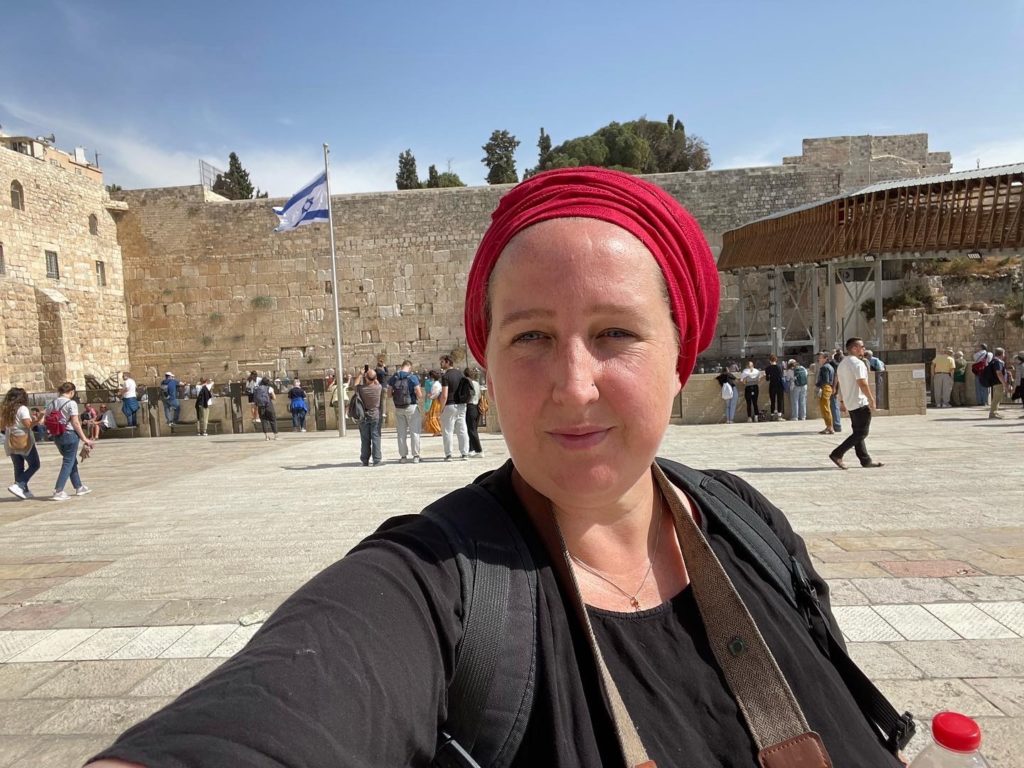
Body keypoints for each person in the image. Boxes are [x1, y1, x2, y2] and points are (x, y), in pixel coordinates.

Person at [89, 167, 904, 768]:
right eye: (531, 337)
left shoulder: (749, 522)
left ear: (681, 352)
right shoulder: (433, 587)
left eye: (616, 333)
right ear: (487, 359)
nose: (574, 385)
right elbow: (264, 717)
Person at [829, 338, 882, 470]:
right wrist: (871, 398)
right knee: (862, 433)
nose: (864, 349)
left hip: (851, 402)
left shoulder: (842, 364)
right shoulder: (857, 364)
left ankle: (865, 460)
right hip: (859, 402)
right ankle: (837, 454)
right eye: (862, 346)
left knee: (858, 432)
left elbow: (841, 383)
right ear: (854, 348)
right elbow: (862, 382)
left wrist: (842, 401)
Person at [45, 381, 95, 500]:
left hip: (57, 436)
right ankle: (58, 490)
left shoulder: (52, 403)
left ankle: (79, 487)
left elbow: (46, 418)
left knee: (71, 461)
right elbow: (75, 422)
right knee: (68, 462)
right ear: (71, 392)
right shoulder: (71, 403)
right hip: (69, 435)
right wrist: (85, 438)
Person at [3, 387, 42, 500]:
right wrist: (39, 419)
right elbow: (28, 425)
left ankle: (23, 490)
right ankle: (19, 484)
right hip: (23, 440)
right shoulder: (22, 409)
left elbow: (2, 426)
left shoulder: (5, 409)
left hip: (10, 440)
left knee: (18, 466)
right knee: (35, 464)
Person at [387, 360, 423, 463]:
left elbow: (389, 394)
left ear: (401, 366)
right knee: (414, 432)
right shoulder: (412, 377)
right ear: (409, 367)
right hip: (411, 406)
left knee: (401, 433)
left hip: (398, 408)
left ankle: (403, 457)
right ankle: (416, 456)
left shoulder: (394, 377)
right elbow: (419, 394)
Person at [439, 354, 470, 460]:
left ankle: (449, 454)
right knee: (462, 429)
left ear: (448, 362)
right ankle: (465, 453)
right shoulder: (461, 374)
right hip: (461, 405)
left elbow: (444, 395)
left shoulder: (445, 376)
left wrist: (441, 408)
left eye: (442, 362)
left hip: (449, 405)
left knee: (448, 431)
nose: (441, 364)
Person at [352, 368, 382, 466]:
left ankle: (365, 460)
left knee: (365, 439)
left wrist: (361, 374)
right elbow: (375, 381)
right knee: (375, 437)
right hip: (375, 415)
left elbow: (355, 385)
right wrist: (372, 376)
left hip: (364, 416)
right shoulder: (378, 388)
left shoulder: (361, 389)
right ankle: (377, 460)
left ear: (366, 378)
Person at [463, 367, 484, 457]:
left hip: (470, 406)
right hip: (476, 407)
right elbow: (479, 396)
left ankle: (479, 450)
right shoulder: (476, 383)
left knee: (471, 430)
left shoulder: (467, 383)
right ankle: (471, 449)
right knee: (473, 429)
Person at [985, 347, 1010, 419]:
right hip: (998, 382)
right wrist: (1004, 383)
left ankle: (995, 412)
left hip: (996, 382)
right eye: (1004, 353)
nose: (1004, 355)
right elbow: (999, 373)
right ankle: (992, 413)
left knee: (997, 398)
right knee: (996, 398)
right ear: (1001, 354)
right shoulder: (998, 362)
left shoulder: (994, 361)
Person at [814, 351, 835, 435]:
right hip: (828, 387)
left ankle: (830, 427)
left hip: (825, 387)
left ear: (826, 358)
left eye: (821, 357)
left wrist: (817, 385)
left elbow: (825, 380)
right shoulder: (830, 367)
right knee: (826, 408)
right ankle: (829, 426)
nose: (819, 359)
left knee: (825, 409)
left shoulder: (824, 368)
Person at [764, 354, 785, 419]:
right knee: (780, 400)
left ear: (769, 360)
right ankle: (779, 415)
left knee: (772, 400)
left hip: (772, 385)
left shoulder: (767, 368)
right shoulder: (780, 367)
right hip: (779, 385)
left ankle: (772, 415)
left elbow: (767, 379)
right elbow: (781, 376)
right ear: (776, 360)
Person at [423, 369, 443, 437]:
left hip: (435, 401)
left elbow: (435, 394)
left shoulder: (435, 384)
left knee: (432, 416)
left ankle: (437, 430)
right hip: (437, 401)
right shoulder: (438, 383)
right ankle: (437, 430)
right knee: (435, 416)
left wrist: (430, 396)